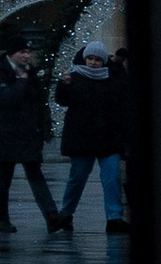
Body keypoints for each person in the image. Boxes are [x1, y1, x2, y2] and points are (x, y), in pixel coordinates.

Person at [0, 39, 59, 232]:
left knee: (35, 174)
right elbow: (6, 99)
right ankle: (2, 219)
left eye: (28, 52)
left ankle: (52, 217)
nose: (26, 56)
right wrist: (21, 82)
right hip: (6, 134)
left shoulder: (31, 75)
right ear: (11, 54)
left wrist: (43, 128)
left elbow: (39, 104)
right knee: (4, 176)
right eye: (22, 52)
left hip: (28, 134)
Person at [53, 42, 129, 231]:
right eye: (90, 59)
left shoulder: (112, 80)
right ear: (85, 59)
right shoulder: (75, 78)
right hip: (83, 139)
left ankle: (114, 218)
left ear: (103, 62)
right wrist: (63, 85)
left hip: (107, 138)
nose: (93, 63)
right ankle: (66, 213)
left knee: (111, 178)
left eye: (97, 60)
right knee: (77, 178)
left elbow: (120, 108)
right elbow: (62, 100)